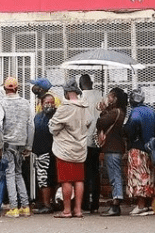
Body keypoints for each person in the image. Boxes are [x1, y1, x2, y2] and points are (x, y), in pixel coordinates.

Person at [0, 77, 34, 218]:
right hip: (21, 143)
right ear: (17, 88)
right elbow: (31, 125)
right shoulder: (26, 103)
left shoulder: (2, 104)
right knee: (18, 173)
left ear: (5, 89)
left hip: (8, 143)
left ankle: (14, 207)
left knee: (9, 174)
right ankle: (25, 206)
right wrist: (28, 145)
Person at [49, 78, 89, 218]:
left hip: (65, 148)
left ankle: (67, 210)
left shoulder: (65, 108)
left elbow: (53, 127)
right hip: (80, 147)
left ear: (66, 92)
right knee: (79, 179)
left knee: (66, 180)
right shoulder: (85, 106)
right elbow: (89, 123)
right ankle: (78, 210)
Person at [123, 88, 155, 216]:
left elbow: (130, 128)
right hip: (151, 148)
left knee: (139, 177)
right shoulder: (151, 111)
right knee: (149, 176)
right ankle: (149, 204)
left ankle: (141, 205)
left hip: (137, 147)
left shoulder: (135, 112)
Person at [96, 87, 127, 217]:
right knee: (115, 174)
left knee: (114, 175)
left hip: (112, 148)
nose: (107, 99)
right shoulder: (119, 111)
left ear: (115, 98)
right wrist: (105, 110)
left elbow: (100, 123)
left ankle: (116, 202)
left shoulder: (116, 112)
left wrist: (103, 112)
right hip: (116, 148)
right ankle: (116, 200)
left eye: (109, 97)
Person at [32, 93, 58, 214]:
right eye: (47, 102)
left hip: (52, 151)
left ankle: (48, 204)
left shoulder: (57, 115)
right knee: (43, 178)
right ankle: (44, 202)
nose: (50, 105)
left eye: (52, 102)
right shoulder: (38, 116)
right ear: (41, 104)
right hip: (39, 151)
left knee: (47, 179)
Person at [79, 74, 101, 214]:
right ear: (91, 82)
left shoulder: (82, 99)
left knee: (85, 173)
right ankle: (95, 203)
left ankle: (86, 202)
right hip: (97, 139)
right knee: (96, 172)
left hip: (83, 140)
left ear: (81, 85)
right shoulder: (100, 95)